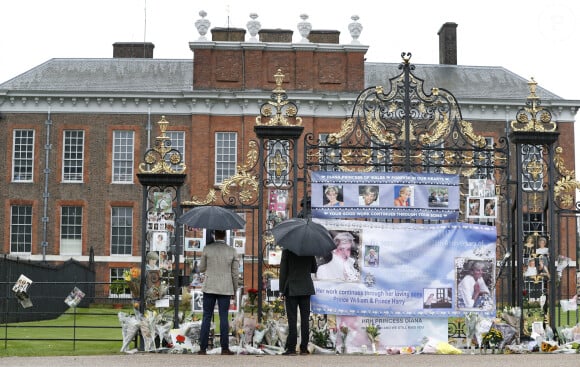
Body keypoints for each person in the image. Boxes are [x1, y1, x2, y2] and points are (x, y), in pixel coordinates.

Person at [198, 229, 239, 355]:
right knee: (223, 317)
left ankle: (203, 348)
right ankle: (225, 348)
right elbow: (235, 273)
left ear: (215, 235)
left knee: (206, 316)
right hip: (225, 287)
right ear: (225, 235)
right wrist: (235, 288)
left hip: (209, 285)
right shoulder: (232, 251)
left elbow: (201, 268)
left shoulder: (207, 248)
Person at [279, 249, 318, 356]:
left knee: (292, 319)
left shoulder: (287, 250)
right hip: (306, 287)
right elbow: (314, 269)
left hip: (292, 287)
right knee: (305, 319)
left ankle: (291, 348)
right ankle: (304, 348)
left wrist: (282, 289)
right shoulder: (309, 250)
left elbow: (283, 271)